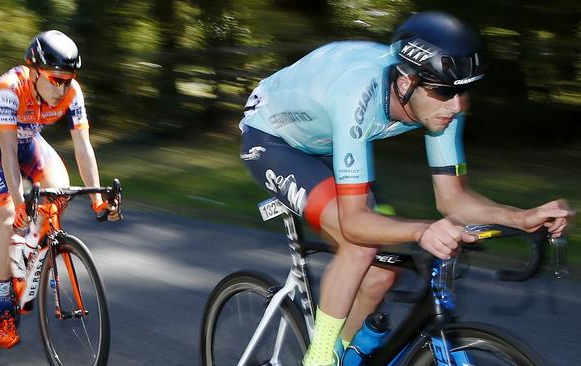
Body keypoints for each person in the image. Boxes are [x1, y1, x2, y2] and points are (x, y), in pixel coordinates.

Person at [238, 11, 573, 366]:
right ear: (405, 82)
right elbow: (354, 224)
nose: (457, 106)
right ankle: (318, 359)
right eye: (444, 92)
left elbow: (453, 199)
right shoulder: (359, 93)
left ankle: (343, 355)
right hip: (273, 139)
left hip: (331, 143)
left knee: (383, 273)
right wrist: (423, 229)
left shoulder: (443, 109)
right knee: (359, 244)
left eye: (464, 92)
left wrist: (521, 217)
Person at [0, 30, 119, 348]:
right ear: (35, 71)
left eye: (67, 79)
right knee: (9, 218)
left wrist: (97, 199)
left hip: (26, 140)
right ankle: (2, 306)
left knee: (59, 190)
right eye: (54, 79)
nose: (61, 87)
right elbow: (7, 152)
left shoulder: (71, 92)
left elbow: (83, 147)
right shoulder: (12, 90)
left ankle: (25, 253)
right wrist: (19, 201)